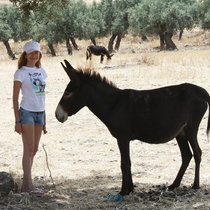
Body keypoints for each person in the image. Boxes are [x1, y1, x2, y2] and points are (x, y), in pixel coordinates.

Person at [13, 41, 47, 196]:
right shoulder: (20, 72)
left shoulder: (42, 71)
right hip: (26, 113)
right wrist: (17, 120)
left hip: (40, 113)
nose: (34, 55)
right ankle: (29, 185)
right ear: (25, 55)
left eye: (37, 52)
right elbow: (14, 98)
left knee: (34, 150)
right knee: (28, 150)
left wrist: (45, 119)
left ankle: (26, 185)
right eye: (31, 53)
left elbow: (42, 96)